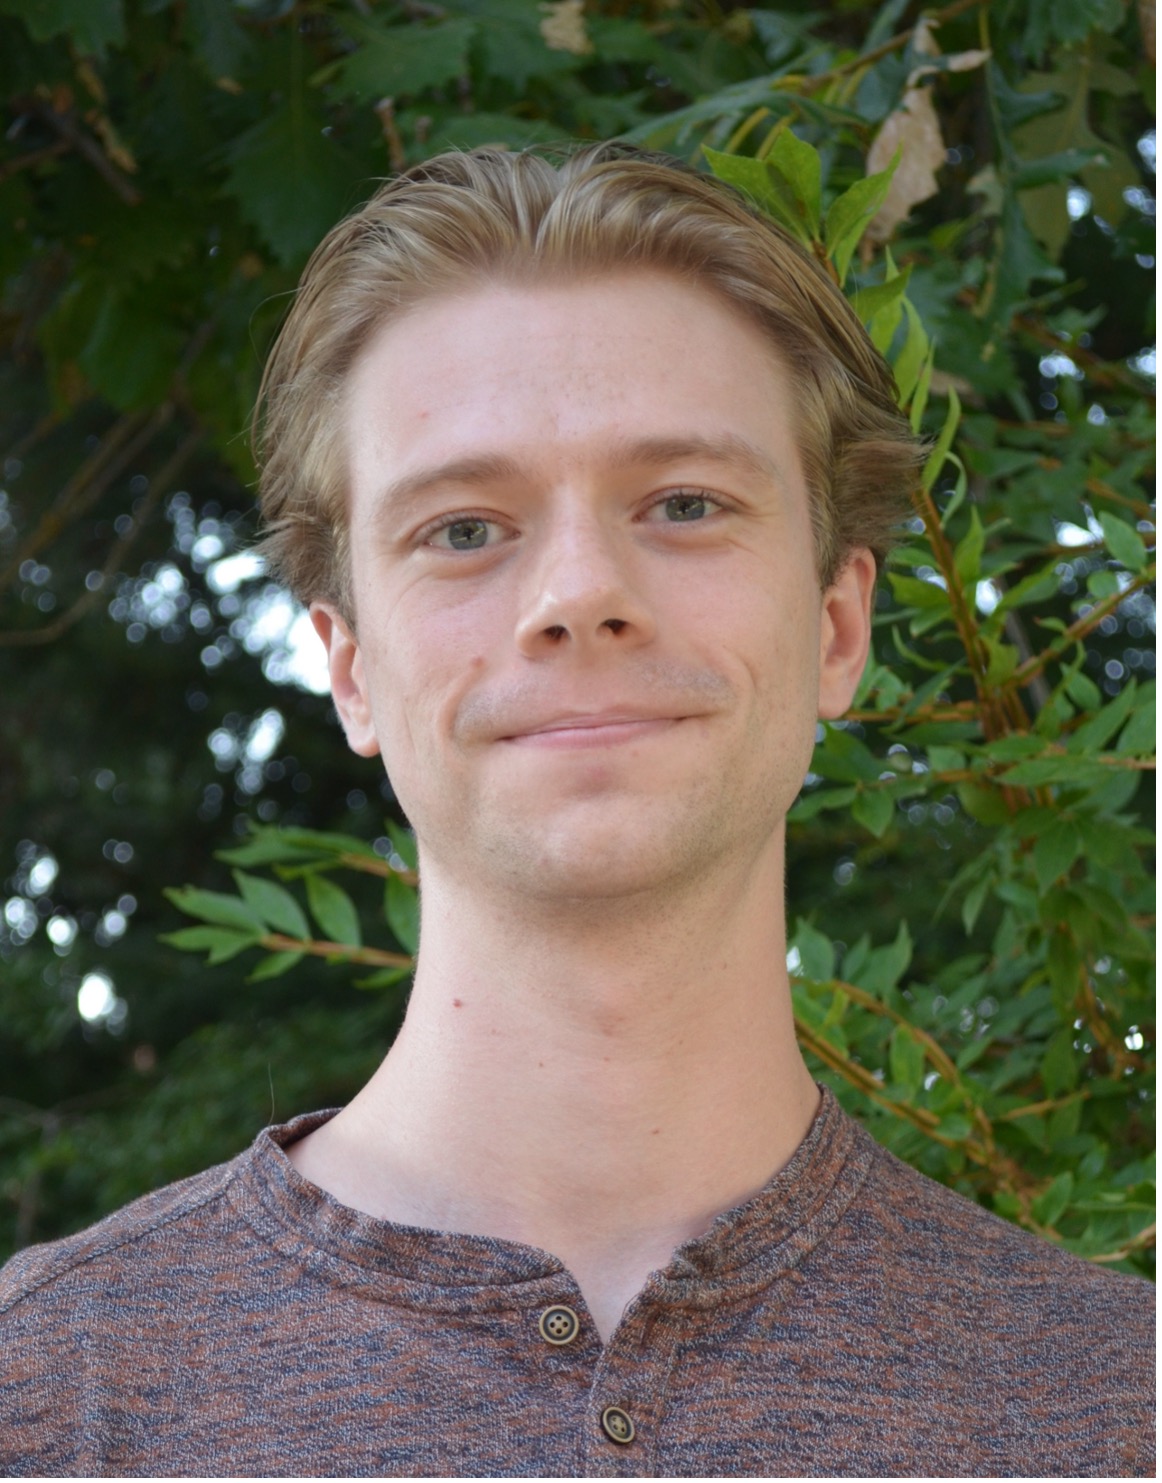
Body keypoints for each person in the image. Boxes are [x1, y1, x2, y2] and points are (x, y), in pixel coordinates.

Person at [0, 144, 1153, 1479]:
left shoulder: (1117, 1410)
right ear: (352, 668)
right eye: (463, 529)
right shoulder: (46, 1398)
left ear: (836, 626)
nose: (578, 589)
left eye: (682, 503)